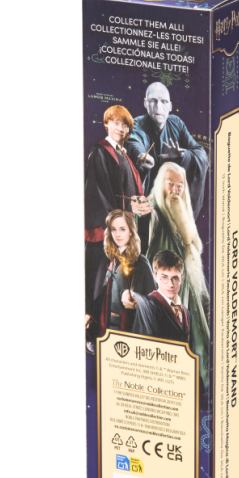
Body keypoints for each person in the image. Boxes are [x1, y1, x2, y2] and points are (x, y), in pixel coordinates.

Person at [131, 163, 210, 387]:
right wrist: (139, 213)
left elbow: (193, 263)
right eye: (170, 184)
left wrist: (204, 299)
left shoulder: (182, 214)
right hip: (164, 300)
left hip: (189, 300)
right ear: (160, 185)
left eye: (180, 186)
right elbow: (142, 228)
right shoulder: (154, 211)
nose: (175, 190)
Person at [84, 105, 154, 308]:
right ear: (106, 124)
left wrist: (140, 205)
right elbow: (98, 193)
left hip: (123, 233)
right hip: (106, 233)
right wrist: (122, 219)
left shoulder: (124, 156)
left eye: (125, 125)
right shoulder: (100, 152)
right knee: (99, 287)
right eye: (116, 123)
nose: (120, 129)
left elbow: (128, 191)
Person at [125, 82, 209, 219]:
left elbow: (201, 154)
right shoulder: (137, 124)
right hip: (148, 204)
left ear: (170, 106)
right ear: (145, 103)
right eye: (153, 101)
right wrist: (142, 156)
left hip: (171, 199)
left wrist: (183, 156)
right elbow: (134, 142)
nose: (158, 107)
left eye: (164, 101)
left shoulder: (176, 123)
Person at [85, 210, 156, 354]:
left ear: (131, 231)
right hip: (107, 328)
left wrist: (136, 299)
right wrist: (90, 314)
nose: (117, 234)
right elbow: (105, 293)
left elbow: (153, 302)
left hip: (130, 331)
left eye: (122, 229)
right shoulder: (112, 259)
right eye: (113, 229)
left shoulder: (141, 262)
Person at [132, 250, 194, 348]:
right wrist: (128, 294)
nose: (170, 285)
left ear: (181, 279)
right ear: (155, 277)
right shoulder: (149, 305)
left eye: (175, 278)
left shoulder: (186, 313)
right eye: (164, 277)